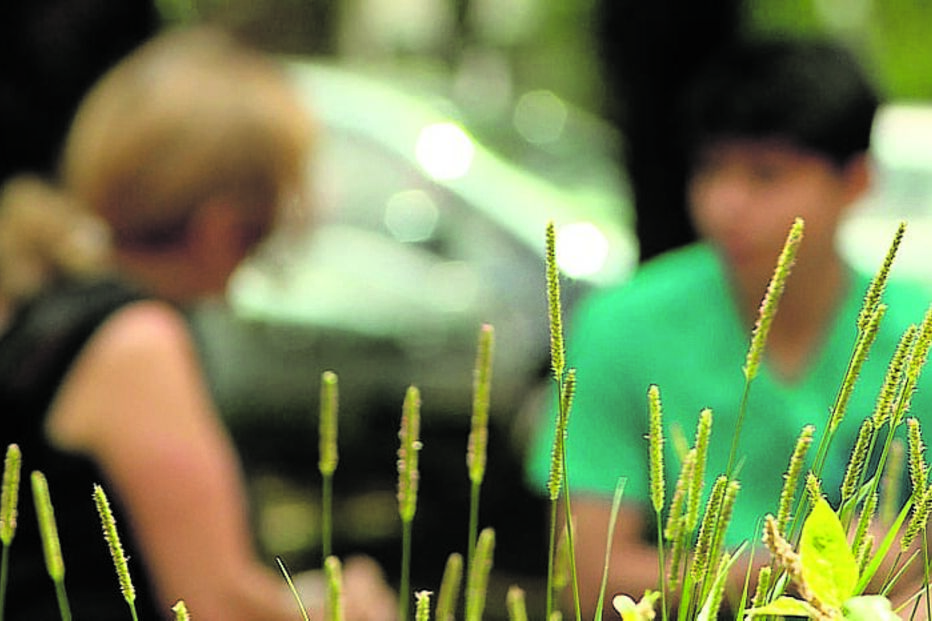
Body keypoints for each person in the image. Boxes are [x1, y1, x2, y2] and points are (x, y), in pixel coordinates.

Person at [525, 37, 932, 618]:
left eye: (766, 175)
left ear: (856, 182)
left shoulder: (918, 333)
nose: (726, 203)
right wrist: (803, 570)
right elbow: (585, 581)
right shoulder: (623, 325)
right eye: (712, 169)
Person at [0, 25, 395, 621]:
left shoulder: (52, 297)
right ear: (221, 225)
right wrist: (339, 604)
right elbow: (212, 604)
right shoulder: (137, 342)